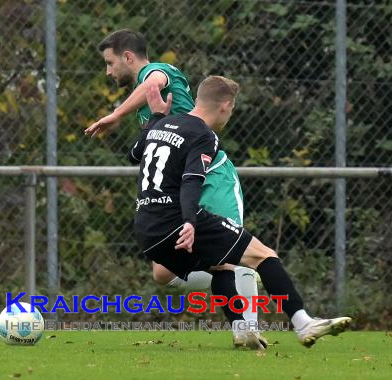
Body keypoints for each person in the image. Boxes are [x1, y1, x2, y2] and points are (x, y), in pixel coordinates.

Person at [129, 75, 351, 349]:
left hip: (145, 228)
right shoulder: (204, 135)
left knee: (220, 265)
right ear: (225, 106)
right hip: (174, 219)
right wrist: (189, 221)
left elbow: (134, 154)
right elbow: (192, 179)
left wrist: (155, 116)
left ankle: (243, 329)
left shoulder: (162, 124)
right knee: (263, 255)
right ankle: (303, 322)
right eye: (232, 109)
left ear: (198, 99)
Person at [84, 30, 261, 340]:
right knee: (164, 273)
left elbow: (152, 85)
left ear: (128, 57)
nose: (108, 72)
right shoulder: (147, 99)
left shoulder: (157, 72)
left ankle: (248, 331)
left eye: (110, 64)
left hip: (210, 176)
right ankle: (240, 274)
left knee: (230, 253)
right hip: (178, 188)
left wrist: (116, 115)